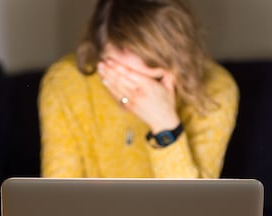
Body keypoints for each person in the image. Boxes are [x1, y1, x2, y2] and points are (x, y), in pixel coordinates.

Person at [38, 0, 239, 178]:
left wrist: (164, 125)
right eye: (117, 71)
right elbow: (59, 196)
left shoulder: (216, 91)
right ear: (98, 52)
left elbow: (191, 210)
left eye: (152, 79)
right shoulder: (65, 83)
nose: (130, 88)